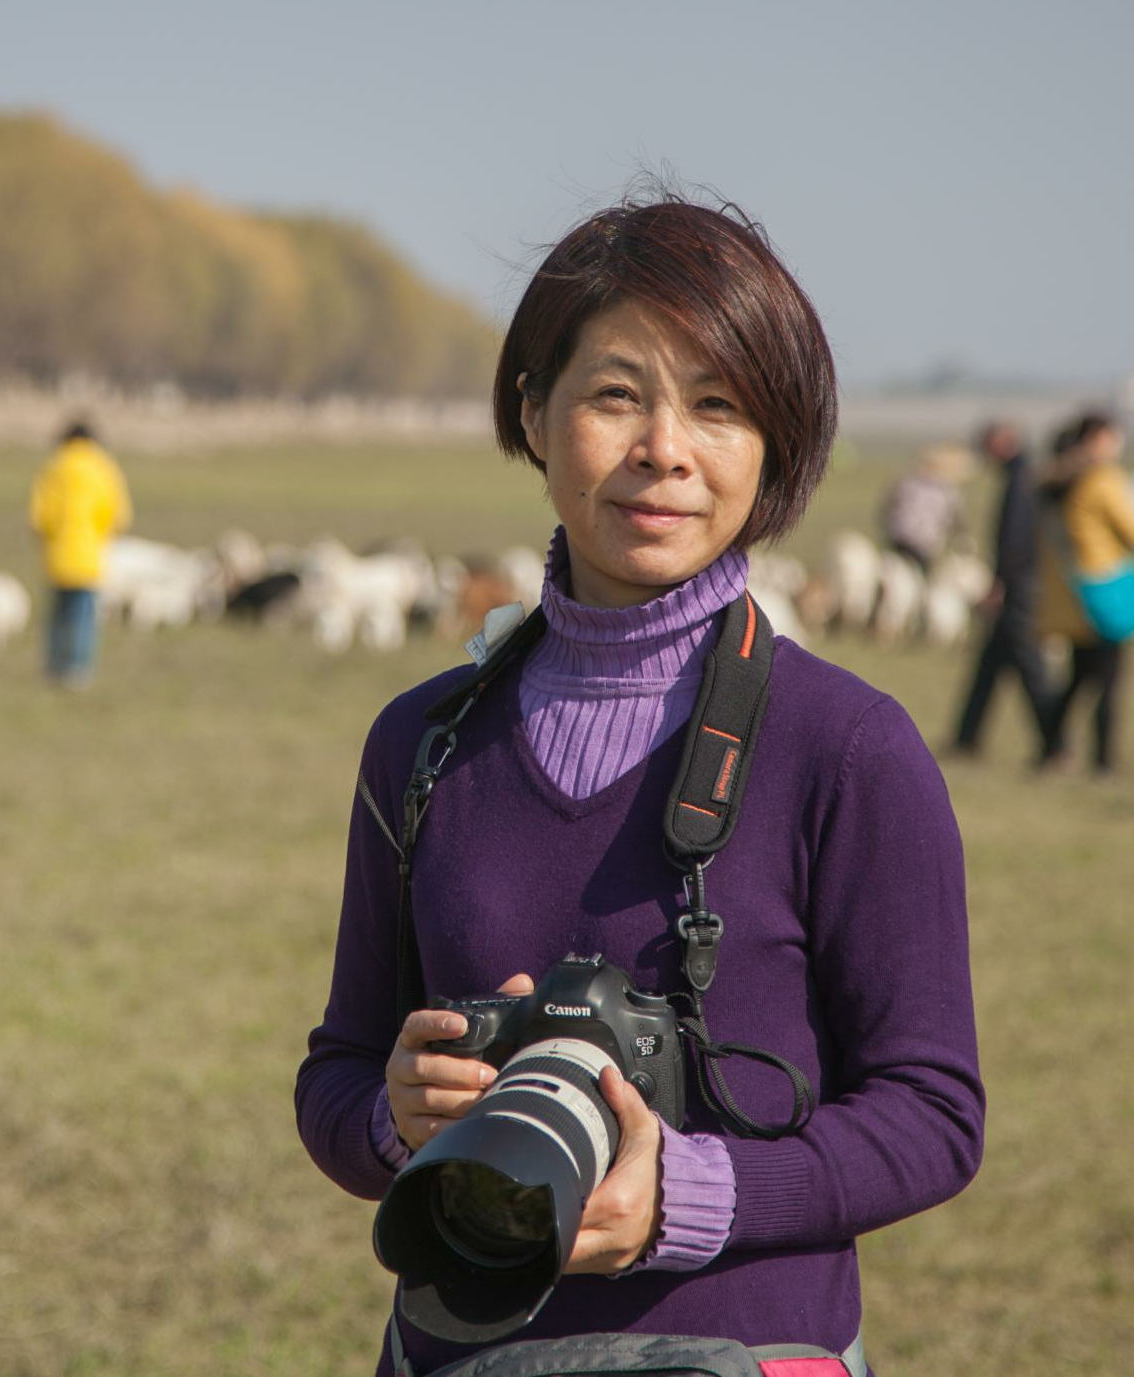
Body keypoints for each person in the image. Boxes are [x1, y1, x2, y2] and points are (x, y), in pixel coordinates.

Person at [295, 196, 983, 1376]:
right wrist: (392, 1116)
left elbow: (931, 1115)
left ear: (775, 445)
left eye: (718, 406)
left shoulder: (849, 748)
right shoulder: (421, 744)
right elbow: (338, 1072)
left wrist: (686, 1195)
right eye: (615, 396)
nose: (664, 449)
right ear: (532, 412)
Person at [1036, 411, 1134, 775]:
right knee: (1109, 680)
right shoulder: (1102, 479)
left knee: (1079, 677)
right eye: (1112, 436)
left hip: (1073, 588)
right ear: (1097, 439)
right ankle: (1104, 760)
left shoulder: (1065, 478)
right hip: (1106, 588)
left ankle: (1051, 749)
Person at [947, 420, 1051, 755]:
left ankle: (1055, 743)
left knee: (1030, 666)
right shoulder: (1021, 474)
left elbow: (1015, 540)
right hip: (1018, 583)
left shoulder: (1022, 478)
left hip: (1020, 588)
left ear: (1004, 442)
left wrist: (1001, 583)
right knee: (989, 665)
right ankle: (967, 739)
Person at [29, 419, 131, 686]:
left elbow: (39, 515)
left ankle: (54, 665)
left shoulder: (54, 466)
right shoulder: (102, 467)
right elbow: (118, 513)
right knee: (83, 615)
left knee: (58, 613)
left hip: (57, 553)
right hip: (90, 553)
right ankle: (78, 668)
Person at [877, 442, 970, 577]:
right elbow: (955, 519)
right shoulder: (946, 491)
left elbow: (887, 509)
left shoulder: (905, 483)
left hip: (904, 538)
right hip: (923, 542)